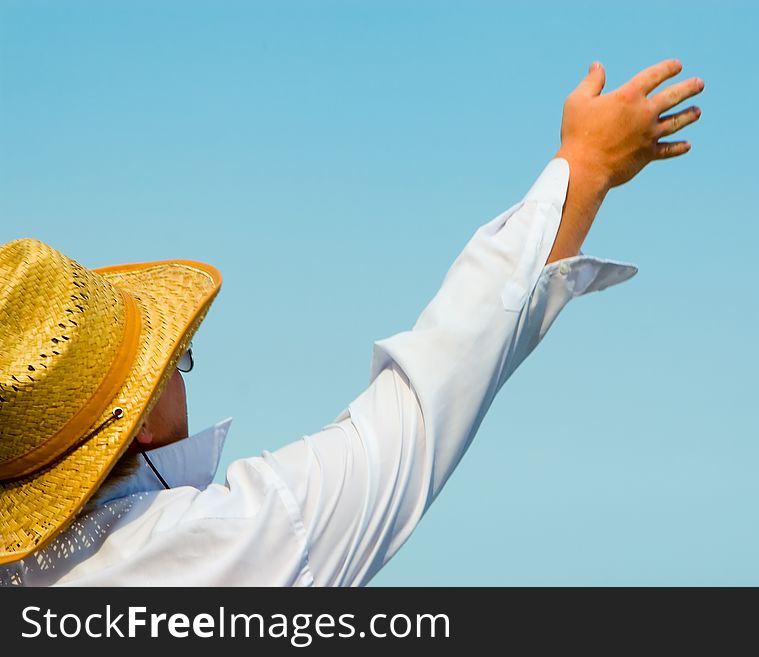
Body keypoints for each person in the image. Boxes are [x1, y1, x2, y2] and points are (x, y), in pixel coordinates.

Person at [0, 58, 703, 586]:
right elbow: (423, 406)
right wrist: (585, 164)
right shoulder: (215, 548)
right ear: (141, 421)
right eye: (173, 361)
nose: (184, 372)